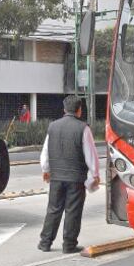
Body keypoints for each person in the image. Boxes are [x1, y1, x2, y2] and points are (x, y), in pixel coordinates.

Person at [38, 95, 100, 254]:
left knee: (53, 209)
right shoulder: (83, 128)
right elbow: (91, 155)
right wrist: (94, 176)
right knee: (73, 211)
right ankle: (69, 245)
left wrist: (46, 170)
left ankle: (45, 243)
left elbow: (45, 152)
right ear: (79, 110)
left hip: (57, 177)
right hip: (75, 178)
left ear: (64, 109)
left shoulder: (52, 127)